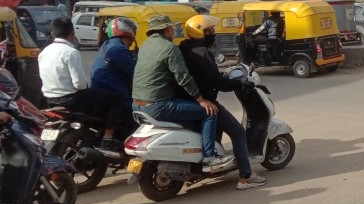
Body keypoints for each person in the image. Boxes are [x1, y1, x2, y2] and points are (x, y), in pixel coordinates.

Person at [132, 15, 232, 171]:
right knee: (209, 112)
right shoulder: (169, 48)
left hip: (137, 105)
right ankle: (209, 158)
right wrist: (201, 100)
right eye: (172, 29)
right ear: (167, 29)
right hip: (158, 105)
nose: (174, 32)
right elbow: (183, 78)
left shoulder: (145, 45)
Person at [180, 15, 267, 189]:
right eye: (209, 31)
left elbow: (205, 76)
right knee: (238, 133)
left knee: (217, 128)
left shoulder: (184, 49)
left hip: (188, 99)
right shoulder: (202, 52)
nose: (213, 33)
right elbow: (216, 82)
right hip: (205, 101)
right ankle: (246, 176)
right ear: (199, 32)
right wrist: (237, 82)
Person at [39, 18, 131, 150]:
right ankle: (107, 138)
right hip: (71, 99)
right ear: (72, 34)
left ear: (53, 34)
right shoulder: (70, 52)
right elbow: (80, 84)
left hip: (49, 99)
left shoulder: (44, 52)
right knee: (116, 99)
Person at [90, 17, 139, 136]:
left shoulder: (107, 44)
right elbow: (136, 73)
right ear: (128, 30)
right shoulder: (118, 49)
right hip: (112, 91)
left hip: (102, 89)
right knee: (138, 121)